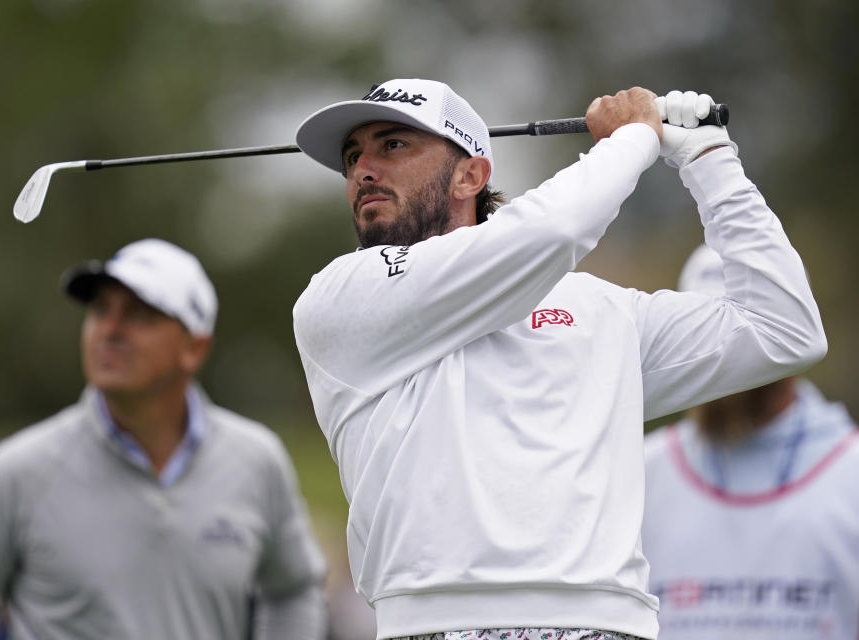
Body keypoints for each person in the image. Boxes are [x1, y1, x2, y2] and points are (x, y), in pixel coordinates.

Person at [290, 78, 826, 640]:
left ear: (470, 175)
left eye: (392, 145)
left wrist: (710, 158)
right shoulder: (339, 300)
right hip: (432, 625)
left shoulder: (597, 309)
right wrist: (633, 141)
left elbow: (783, 330)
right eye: (353, 156)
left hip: (607, 625)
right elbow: (552, 229)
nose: (363, 170)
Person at [0, 238, 327, 640]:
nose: (110, 330)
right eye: (100, 310)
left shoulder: (256, 461)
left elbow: (293, 590)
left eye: (139, 314)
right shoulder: (15, 472)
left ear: (194, 348)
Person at [641, 244, 859, 639]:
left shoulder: (850, 472)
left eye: (748, 339)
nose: (722, 361)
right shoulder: (638, 473)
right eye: (702, 336)